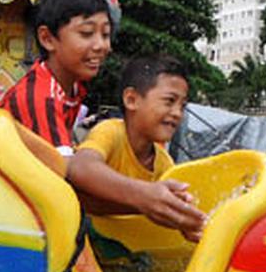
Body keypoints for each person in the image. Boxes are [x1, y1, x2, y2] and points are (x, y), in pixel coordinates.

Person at [69, 55, 207, 241]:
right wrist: (143, 197)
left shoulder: (164, 163)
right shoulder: (111, 132)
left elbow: (164, 208)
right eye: (169, 101)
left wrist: (183, 221)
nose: (177, 113)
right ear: (132, 99)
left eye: (182, 106)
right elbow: (80, 167)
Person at [0, 0, 112, 157]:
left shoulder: (72, 86)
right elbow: (65, 171)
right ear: (47, 38)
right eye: (86, 33)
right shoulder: (41, 98)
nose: (101, 45)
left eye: (105, 34)